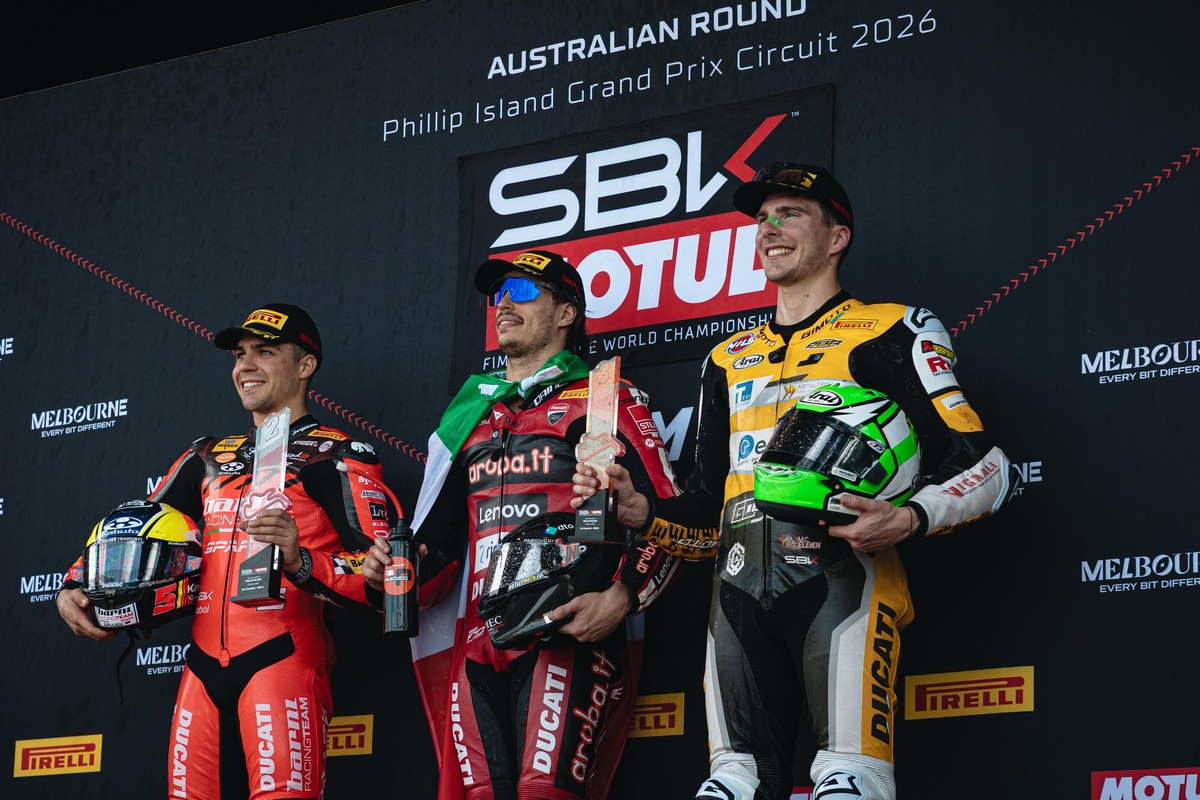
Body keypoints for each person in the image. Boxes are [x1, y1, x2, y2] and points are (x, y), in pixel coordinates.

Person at [573, 164, 1019, 800]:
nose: (769, 228)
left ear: (837, 238)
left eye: (791, 214)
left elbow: (987, 466)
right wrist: (643, 511)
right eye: (761, 218)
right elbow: (705, 511)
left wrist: (909, 518)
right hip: (734, 596)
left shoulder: (894, 329)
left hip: (844, 582)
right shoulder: (726, 357)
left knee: (849, 784)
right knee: (731, 786)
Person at [363, 250, 679, 800]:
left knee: (544, 794)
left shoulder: (602, 398)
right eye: (497, 293)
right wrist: (391, 567)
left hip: (563, 628)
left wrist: (623, 596)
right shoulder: (470, 414)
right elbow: (438, 548)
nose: (503, 303)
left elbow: (670, 518)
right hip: (480, 642)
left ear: (565, 313)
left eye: (523, 291)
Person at [57, 303, 401, 800]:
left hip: (282, 658)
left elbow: (384, 576)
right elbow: (134, 528)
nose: (245, 366)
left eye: (265, 352)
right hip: (199, 666)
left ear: (306, 366)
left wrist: (299, 558)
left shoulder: (337, 454)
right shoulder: (208, 455)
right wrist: (73, 583)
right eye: (240, 355)